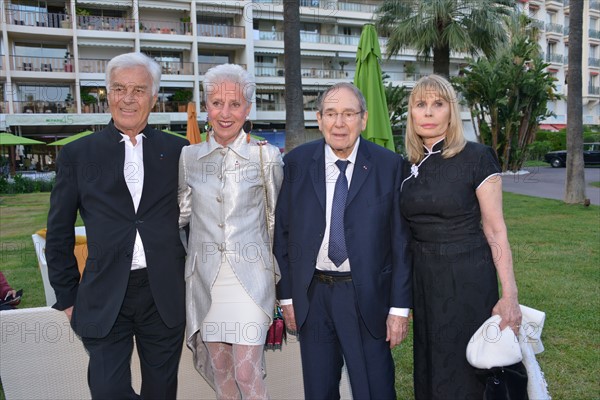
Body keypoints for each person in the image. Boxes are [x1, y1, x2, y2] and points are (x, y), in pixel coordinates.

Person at [45, 52, 188, 399]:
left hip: (163, 295)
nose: (128, 98)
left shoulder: (181, 151)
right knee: (108, 389)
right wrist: (67, 297)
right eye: (119, 88)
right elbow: (59, 232)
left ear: (154, 98)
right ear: (106, 94)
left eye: (139, 90)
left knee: (162, 391)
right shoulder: (77, 155)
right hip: (104, 294)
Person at [273, 82, 412, 399]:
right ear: (319, 119)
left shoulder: (389, 166)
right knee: (319, 391)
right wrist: (287, 298)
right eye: (331, 114)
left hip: (367, 299)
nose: (339, 123)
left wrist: (400, 309)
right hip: (314, 297)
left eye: (349, 114)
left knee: (374, 390)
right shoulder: (295, 164)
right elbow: (282, 234)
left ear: (363, 119)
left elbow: (402, 244)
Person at [400, 74, 522, 399]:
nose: (428, 113)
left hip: (468, 279)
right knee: (431, 368)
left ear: (451, 112)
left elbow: (495, 228)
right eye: (420, 104)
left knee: (468, 371)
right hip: (425, 284)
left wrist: (509, 295)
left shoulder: (477, 157)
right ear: (411, 113)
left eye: (437, 104)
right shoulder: (406, 167)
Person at [178, 63, 284, 399]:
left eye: (235, 104)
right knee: (221, 372)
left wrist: (274, 275)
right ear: (207, 106)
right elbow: (181, 216)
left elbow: (275, 219)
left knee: (245, 371)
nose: (225, 113)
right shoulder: (189, 156)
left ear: (247, 109)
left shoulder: (266, 156)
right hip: (205, 281)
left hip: (251, 280)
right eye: (217, 103)